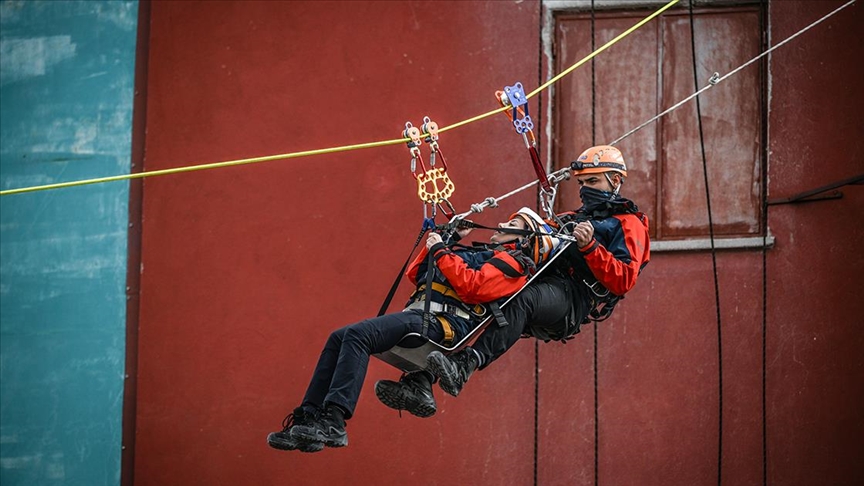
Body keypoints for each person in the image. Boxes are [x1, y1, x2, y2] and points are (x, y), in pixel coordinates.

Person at [266, 208, 560, 452]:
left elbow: (473, 287)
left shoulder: (515, 265)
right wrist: (448, 239)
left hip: (441, 325)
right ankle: (309, 416)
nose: (502, 224)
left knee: (358, 336)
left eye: (513, 224)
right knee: (339, 336)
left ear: (526, 239)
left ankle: (334, 420)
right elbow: (417, 274)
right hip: (422, 317)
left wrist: (442, 250)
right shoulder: (476, 254)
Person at [422, 144, 651, 400]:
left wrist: (591, 247)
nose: (586, 189)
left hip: (573, 297)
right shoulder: (571, 218)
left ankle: (465, 364)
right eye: (582, 183)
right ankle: (422, 378)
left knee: (521, 300)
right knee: (484, 290)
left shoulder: (629, 224)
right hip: (544, 280)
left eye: (593, 181)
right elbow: (532, 238)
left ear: (616, 180)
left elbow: (624, 280)